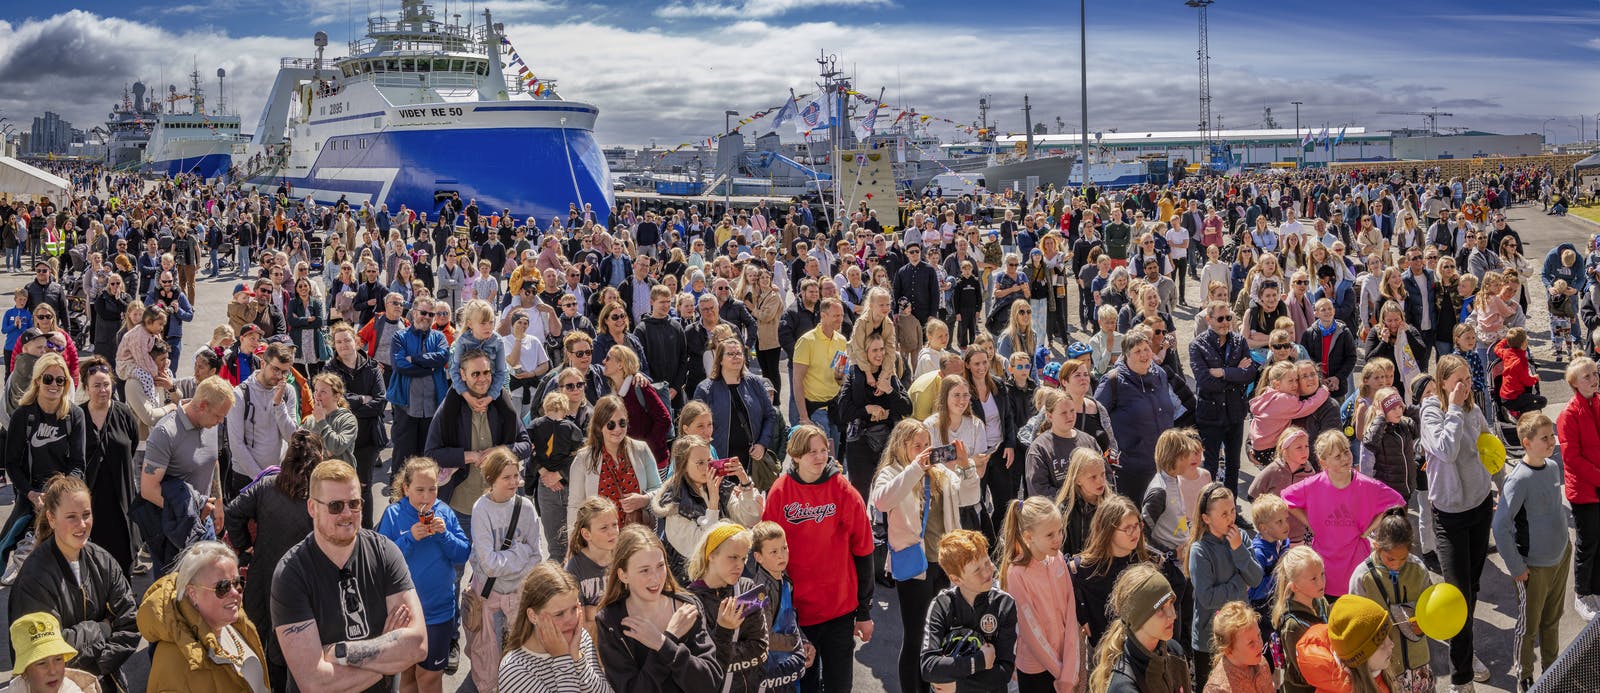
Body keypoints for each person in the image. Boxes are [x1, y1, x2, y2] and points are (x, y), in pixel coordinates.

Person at [270, 460, 429, 693]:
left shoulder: (384, 552)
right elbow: (315, 684)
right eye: (335, 506)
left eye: (354, 504)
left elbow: (418, 644)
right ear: (312, 507)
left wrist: (341, 652)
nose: (347, 514)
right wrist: (387, 654)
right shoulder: (291, 574)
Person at [761, 425, 874, 693]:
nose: (820, 457)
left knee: (839, 686)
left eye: (824, 450)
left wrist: (865, 611)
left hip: (839, 608)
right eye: (812, 452)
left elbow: (864, 549)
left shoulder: (843, 490)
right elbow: (766, 555)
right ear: (796, 455)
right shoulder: (780, 492)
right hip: (798, 615)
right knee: (805, 685)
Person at [7, 475, 139, 690]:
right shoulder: (34, 579)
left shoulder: (103, 560)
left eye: (86, 514)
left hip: (106, 680)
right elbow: (46, 651)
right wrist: (101, 629)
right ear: (51, 518)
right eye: (71, 517)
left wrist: (97, 668)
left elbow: (130, 622)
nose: (82, 524)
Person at [869, 419, 966, 693]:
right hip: (913, 566)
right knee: (917, 636)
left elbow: (969, 494)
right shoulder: (893, 472)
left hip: (943, 563)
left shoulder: (940, 473)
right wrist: (915, 469)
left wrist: (965, 465)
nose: (924, 450)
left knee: (939, 634)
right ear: (902, 446)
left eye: (927, 444)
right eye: (917, 446)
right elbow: (882, 500)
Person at [225, 430, 323, 690]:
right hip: (303, 580)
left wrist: (246, 546)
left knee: (256, 639)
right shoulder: (319, 496)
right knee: (295, 645)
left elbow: (233, 511)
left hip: (263, 574)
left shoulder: (267, 485)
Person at [1420, 354, 1494, 689]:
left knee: (1473, 587)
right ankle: (1462, 676)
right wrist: (1453, 408)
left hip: (1479, 507)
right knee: (1458, 595)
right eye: (1458, 380)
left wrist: (1503, 489)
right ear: (1444, 381)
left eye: (1468, 379)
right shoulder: (1431, 412)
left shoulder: (1472, 409)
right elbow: (1446, 450)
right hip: (1449, 516)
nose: (1465, 386)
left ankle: (1466, 649)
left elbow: (1489, 447)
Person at [1490, 412, 1570, 690]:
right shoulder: (1518, 479)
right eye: (1545, 438)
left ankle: (1553, 669)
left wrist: (1565, 546)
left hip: (1560, 557)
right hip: (1533, 567)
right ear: (1526, 443)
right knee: (1529, 626)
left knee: (1553, 619)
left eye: (1552, 435)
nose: (1552, 442)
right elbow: (1500, 526)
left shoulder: (1551, 467)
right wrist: (1516, 567)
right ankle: (1525, 677)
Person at [594, 524, 724, 693]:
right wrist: (667, 640)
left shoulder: (687, 607)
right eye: (644, 570)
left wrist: (663, 644)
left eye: (660, 566)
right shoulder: (610, 621)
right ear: (623, 575)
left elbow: (708, 684)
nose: (655, 578)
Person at [137, 540, 270, 692]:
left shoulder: (234, 622)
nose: (234, 593)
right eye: (223, 587)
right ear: (193, 594)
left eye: (237, 583)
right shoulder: (173, 664)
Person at [136, 376, 235, 572]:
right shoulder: (165, 432)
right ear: (203, 406)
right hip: (175, 531)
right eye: (218, 416)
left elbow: (212, 461)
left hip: (204, 522)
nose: (220, 422)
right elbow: (148, 489)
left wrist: (219, 504)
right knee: (175, 594)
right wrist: (191, 511)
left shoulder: (209, 424)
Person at [2, 353, 87, 574]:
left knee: (78, 547)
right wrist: (30, 493)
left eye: (61, 380)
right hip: (30, 496)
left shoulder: (74, 416)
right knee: (4, 545)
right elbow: (11, 463)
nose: (54, 385)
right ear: (37, 380)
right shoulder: (23, 415)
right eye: (48, 378)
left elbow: (78, 463)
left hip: (62, 496)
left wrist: (60, 493)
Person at [997, 497, 1080, 693]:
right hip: (1037, 669)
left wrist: (1070, 666)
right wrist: (1060, 672)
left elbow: (1070, 612)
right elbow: (1030, 630)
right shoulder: (1017, 574)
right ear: (1028, 537)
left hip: (1066, 665)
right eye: (1050, 534)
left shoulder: (1058, 558)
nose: (1058, 539)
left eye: (1060, 531)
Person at [1186, 482, 1265, 688]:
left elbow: (1256, 578)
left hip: (1242, 636)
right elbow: (1208, 598)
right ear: (1206, 518)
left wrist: (1238, 549)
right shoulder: (1200, 550)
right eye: (1224, 514)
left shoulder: (1242, 537)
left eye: (1232, 510)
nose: (1231, 517)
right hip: (1210, 639)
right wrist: (1241, 583)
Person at [652, 434, 763, 579]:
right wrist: (713, 504)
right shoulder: (674, 503)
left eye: (709, 461)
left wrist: (745, 482)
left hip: (724, 574)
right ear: (683, 465)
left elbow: (750, 518)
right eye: (700, 463)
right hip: (690, 582)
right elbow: (698, 549)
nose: (707, 468)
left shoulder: (719, 486)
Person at [919, 529, 1017, 692]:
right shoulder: (941, 605)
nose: (987, 571)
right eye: (977, 570)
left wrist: (958, 687)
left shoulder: (1004, 604)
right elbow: (928, 667)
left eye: (987, 562)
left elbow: (1004, 671)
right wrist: (979, 661)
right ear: (956, 579)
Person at [1348, 513, 1435, 691]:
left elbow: (1432, 606)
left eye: (1403, 559)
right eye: (1390, 559)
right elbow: (1356, 626)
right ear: (1376, 546)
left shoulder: (1417, 568)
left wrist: (1425, 623)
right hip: (1385, 670)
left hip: (1419, 662)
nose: (1396, 565)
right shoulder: (1362, 577)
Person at [495, 562, 611, 693]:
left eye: (574, 609)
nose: (570, 620)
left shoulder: (579, 639)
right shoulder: (515, 671)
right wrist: (562, 658)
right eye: (559, 614)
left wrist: (577, 658)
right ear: (533, 616)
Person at [684, 521, 769, 693]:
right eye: (733, 557)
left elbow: (761, 649)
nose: (740, 565)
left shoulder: (747, 589)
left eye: (744, 558)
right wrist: (724, 632)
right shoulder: (689, 601)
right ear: (711, 555)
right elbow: (698, 662)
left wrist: (718, 657)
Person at [74, 357, 139, 575]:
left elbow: (132, 445)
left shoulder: (124, 414)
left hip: (121, 502)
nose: (103, 390)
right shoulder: (77, 417)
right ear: (86, 388)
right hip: (90, 504)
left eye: (106, 385)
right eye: (96, 386)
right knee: (92, 565)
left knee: (122, 562)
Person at [1094, 326, 1175, 498]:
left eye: (1146, 349)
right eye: (1137, 351)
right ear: (1126, 355)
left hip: (1165, 464)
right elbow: (1096, 419)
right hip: (1131, 470)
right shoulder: (1112, 382)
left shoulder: (1159, 374)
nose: (1144, 355)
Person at [1086, 563, 1187, 693]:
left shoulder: (1175, 652)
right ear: (1138, 618)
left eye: (1171, 603)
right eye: (1161, 608)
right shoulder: (1124, 686)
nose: (1173, 615)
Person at [324, 323, 387, 528]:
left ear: (356, 342)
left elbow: (380, 403)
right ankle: (343, 526)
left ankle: (365, 530)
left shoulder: (372, 367)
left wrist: (348, 404)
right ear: (334, 345)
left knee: (364, 487)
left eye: (347, 340)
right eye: (339, 341)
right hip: (341, 439)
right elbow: (333, 402)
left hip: (368, 438)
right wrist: (362, 398)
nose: (343, 345)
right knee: (341, 487)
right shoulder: (330, 369)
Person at [1191, 301, 1257, 494]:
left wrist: (1223, 372)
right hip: (1210, 415)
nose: (1225, 322)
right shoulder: (1197, 345)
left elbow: (1250, 373)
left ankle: (1232, 510)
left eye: (1228, 318)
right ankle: (1209, 511)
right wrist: (1236, 374)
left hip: (1235, 413)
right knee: (1210, 467)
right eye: (1220, 318)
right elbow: (1205, 381)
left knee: (1233, 466)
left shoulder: (1239, 341)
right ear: (1208, 319)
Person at [837, 332, 911, 500]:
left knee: (889, 495)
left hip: (888, 441)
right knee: (859, 495)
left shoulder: (889, 374)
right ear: (865, 353)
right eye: (874, 350)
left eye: (882, 349)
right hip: (860, 443)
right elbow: (843, 411)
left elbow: (907, 408)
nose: (879, 354)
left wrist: (890, 391)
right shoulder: (855, 374)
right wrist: (868, 409)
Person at [693, 337, 780, 473]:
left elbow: (770, 415)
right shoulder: (705, 389)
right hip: (719, 460)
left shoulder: (755, 383)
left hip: (751, 459)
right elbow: (696, 425)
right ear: (720, 359)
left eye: (739, 353)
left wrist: (762, 444)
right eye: (730, 354)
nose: (736, 357)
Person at [225, 342, 300, 497]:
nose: (280, 376)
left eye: (285, 372)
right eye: (275, 369)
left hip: (277, 475)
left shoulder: (288, 391)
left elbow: (292, 437)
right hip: (246, 476)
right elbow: (236, 444)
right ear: (263, 363)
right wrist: (260, 478)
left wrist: (279, 405)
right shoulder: (240, 394)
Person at [1559, 358, 1600, 619]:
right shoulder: (1568, 414)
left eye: (1595, 373)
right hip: (1585, 490)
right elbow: (1572, 459)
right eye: (1587, 376)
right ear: (1574, 383)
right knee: (1588, 542)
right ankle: (1582, 593)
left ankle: (1596, 586)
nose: (1594, 379)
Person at [390, 297, 450, 471]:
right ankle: (398, 496)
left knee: (428, 459)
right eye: (423, 312)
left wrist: (415, 359)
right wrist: (430, 368)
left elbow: (443, 358)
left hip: (432, 409)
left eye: (431, 314)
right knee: (403, 459)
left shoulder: (439, 337)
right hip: (406, 407)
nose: (427, 317)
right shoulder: (399, 336)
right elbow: (400, 365)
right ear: (414, 312)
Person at [1293, 595, 1398, 693]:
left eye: (1388, 636)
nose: (1391, 644)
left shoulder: (1377, 675)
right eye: (1380, 644)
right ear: (1360, 657)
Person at [791, 298, 849, 445]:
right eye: (836, 316)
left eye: (841, 315)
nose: (840, 319)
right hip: (815, 409)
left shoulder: (841, 340)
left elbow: (840, 377)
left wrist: (841, 376)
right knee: (823, 454)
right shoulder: (806, 341)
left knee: (834, 455)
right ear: (823, 316)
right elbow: (797, 381)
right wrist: (804, 417)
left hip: (835, 407)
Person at [1271, 545, 1328, 693]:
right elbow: (1302, 670)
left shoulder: (1321, 602)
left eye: (1322, 574)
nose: (1321, 582)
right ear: (1295, 587)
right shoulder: (1293, 625)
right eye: (1313, 579)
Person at [5, 611, 102, 693]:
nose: (52, 671)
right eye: (42, 663)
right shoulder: (16, 689)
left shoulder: (71, 690)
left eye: (58, 659)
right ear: (24, 672)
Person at [1202, 601, 1273, 693]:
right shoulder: (1218, 689)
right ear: (1228, 650)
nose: (1260, 644)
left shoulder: (1262, 663)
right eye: (1251, 643)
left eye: (1259, 635)